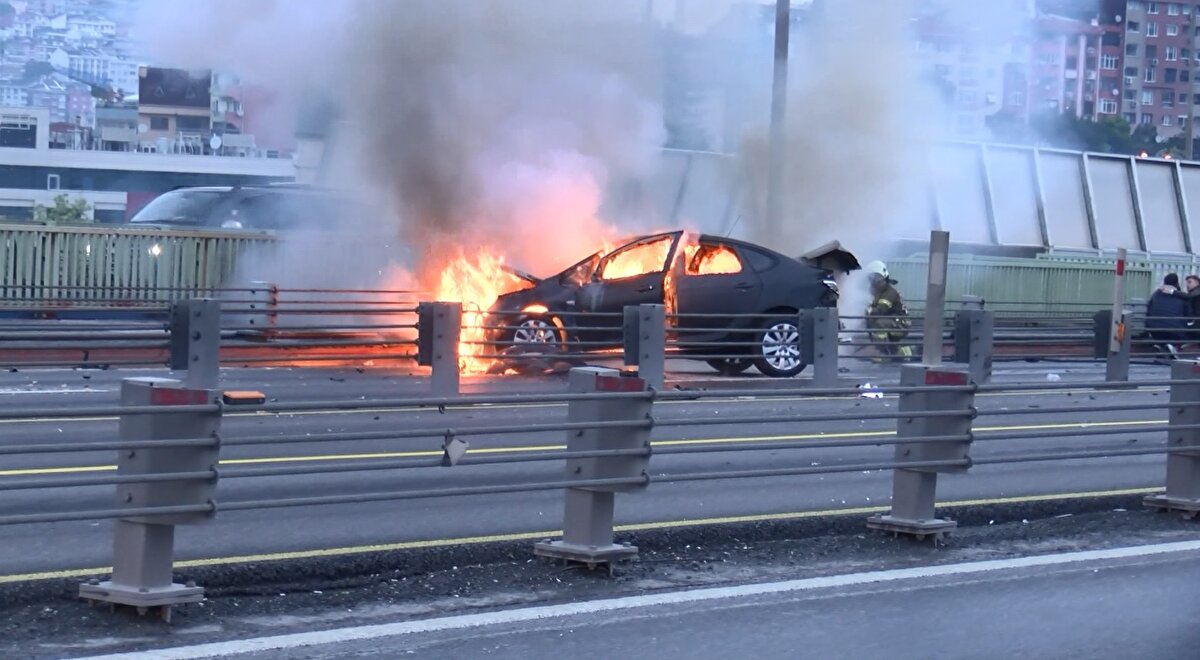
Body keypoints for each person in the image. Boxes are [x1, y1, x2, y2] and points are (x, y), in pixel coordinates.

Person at [864, 260, 913, 361]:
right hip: (893, 321)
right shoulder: (878, 292)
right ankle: (900, 352)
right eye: (872, 278)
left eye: (877, 279)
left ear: (884, 278)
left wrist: (868, 309)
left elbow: (881, 309)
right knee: (873, 323)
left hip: (901, 323)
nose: (874, 282)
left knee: (879, 324)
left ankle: (884, 354)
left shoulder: (889, 293)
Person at [1146, 273, 1191, 357]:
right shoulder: (1181, 296)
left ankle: (1161, 346)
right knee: (1188, 334)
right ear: (1176, 283)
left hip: (1154, 330)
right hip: (1174, 331)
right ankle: (1173, 347)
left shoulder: (1156, 294)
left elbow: (1149, 309)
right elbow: (1188, 316)